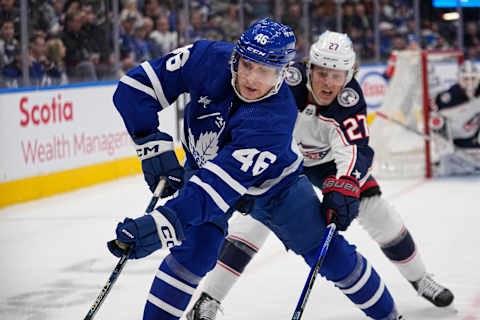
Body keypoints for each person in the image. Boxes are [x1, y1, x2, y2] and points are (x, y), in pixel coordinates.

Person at [107, 19, 403, 320]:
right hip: (205, 169)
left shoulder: (274, 118)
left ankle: (390, 316)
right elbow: (134, 87)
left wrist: (161, 225)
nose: (251, 78)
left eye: (264, 71)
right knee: (195, 253)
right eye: (247, 64)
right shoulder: (206, 57)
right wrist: (151, 145)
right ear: (235, 56)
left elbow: (213, 191)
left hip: (275, 187)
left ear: (282, 73)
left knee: (330, 255)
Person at [186, 30, 455, 320]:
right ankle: (208, 298)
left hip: (326, 163)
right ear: (308, 67)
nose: (329, 82)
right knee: (251, 224)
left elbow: (354, 147)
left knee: (378, 212)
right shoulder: (285, 82)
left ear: (349, 75)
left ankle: (420, 278)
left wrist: (347, 183)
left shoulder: (349, 99)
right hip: (279, 159)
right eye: (322, 73)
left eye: (337, 75)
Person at [430, 59, 480, 175]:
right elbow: (435, 121)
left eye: (472, 78)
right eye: (466, 79)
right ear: (459, 79)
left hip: (473, 138)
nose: (469, 83)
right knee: (446, 169)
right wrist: (444, 144)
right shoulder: (447, 97)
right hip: (455, 143)